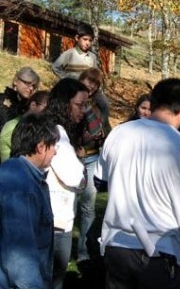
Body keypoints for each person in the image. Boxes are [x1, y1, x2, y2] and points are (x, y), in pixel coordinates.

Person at [94, 78, 180, 289]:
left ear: (153, 103)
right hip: (159, 251)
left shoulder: (119, 133)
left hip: (117, 245)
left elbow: (100, 181)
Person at [0, 113, 59, 289]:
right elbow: (19, 254)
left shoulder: (13, 171)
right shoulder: (21, 188)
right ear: (41, 147)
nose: (55, 151)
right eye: (53, 146)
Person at [43, 78, 88, 289]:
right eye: (79, 105)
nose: (83, 110)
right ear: (63, 103)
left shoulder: (43, 126)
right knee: (53, 279)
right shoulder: (58, 134)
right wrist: (82, 167)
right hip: (57, 221)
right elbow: (75, 177)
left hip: (44, 215)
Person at [76, 67, 111, 265]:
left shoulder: (100, 104)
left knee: (88, 207)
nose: (89, 86)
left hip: (92, 158)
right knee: (69, 205)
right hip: (73, 156)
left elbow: (99, 129)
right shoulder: (71, 97)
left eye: (94, 83)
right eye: (87, 81)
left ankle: (83, 251)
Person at [0, 90, 49, 162]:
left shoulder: (44, 129)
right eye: (46, 109)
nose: (49, 113)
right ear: (33, 105)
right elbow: (8, 164)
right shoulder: (11, 128)